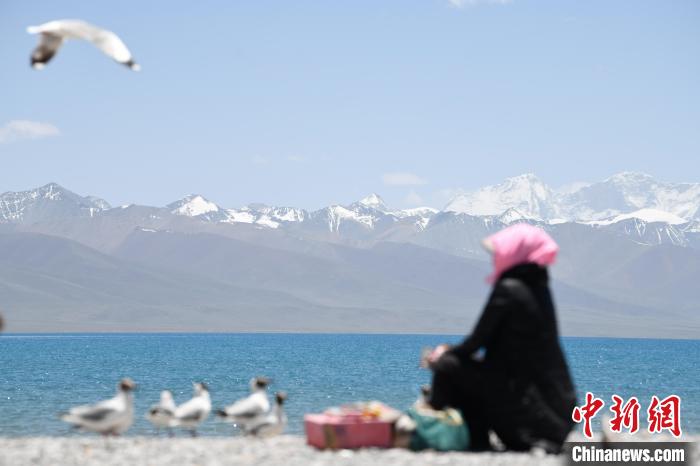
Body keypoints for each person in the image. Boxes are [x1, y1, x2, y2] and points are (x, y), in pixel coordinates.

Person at [427, 223, 576, 452]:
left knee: (449, 364)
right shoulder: (540, 289)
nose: (494, 258)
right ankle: (474, 438)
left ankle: (443, 425)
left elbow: (476, 342)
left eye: (498, 253)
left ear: (514, 253)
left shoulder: (509, 289)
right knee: (479, 372)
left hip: (521, 426)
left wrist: (442, 353)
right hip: (556, 423)